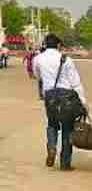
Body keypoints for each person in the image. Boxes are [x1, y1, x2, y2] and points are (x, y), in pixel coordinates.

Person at [34, 34, 88, 171]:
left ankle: (51, 147)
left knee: (52, 123)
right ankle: (65, 163)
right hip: (67, 97)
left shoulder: (38, 58)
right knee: (67, 128)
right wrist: (83, 101)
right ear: (58, 45)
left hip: (50, 96)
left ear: (45, 44)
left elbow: (37, 75)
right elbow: (75, 82)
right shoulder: (66, 59)